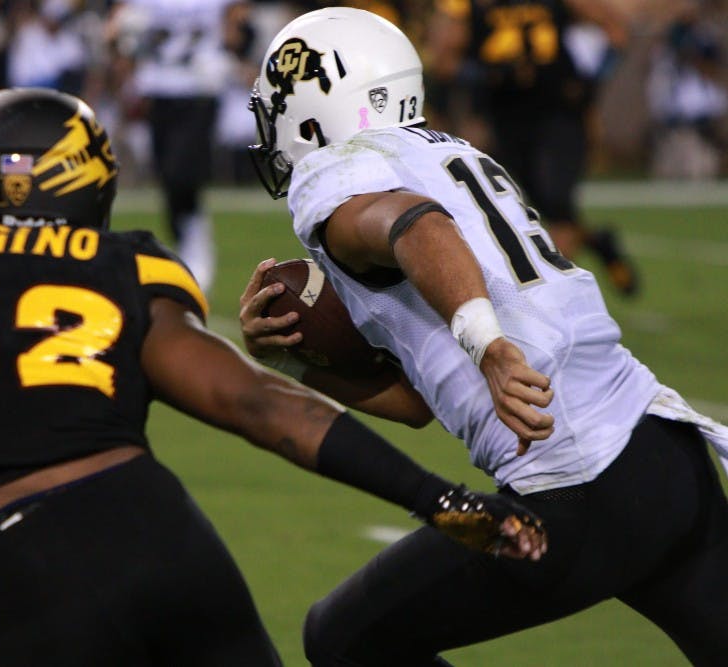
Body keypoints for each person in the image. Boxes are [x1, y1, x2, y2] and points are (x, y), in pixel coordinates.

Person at [0, 88, 545, 667]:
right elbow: (256, 402)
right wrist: (436, 496)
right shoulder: (119, 263)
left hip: (28, 562)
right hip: (168, 537)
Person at [241, 8, 728, 666]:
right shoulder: (449, 151)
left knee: (343, 636)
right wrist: (292, 363)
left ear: (315, 109)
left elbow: (417, 226)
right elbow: (417, 403)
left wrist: (488, 344)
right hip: (664, 459)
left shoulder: (335, 174)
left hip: (574, 487)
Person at [426, 0, 641, 296]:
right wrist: (485, 76)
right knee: (525, 211)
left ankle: (560, 299)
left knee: (556, 201)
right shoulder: (465, 6)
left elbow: (616, 29)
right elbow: (443, 61)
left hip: (558, 113)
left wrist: (587, 84)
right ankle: (598, 241)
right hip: (504, 119)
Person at [105, 0, 245, 292]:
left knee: (181, 172)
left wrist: (227, 52)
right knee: (167, 179)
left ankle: (196, 241)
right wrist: (127, 45)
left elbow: (237, 28)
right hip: (157, 88)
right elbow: (115, 31)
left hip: (199, 89)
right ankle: (186, 237)